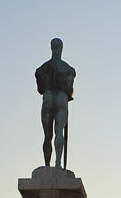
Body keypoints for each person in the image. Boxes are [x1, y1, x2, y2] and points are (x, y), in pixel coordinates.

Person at [35, 38, 76, 168]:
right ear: (61, 48)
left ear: (51, 48)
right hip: (61, 98)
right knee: (59, 132)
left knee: (47, 136)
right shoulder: (69, 70)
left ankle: (47, 165)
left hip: (47, 97)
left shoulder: (41, 69)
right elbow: (70, 90)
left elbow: (40, 89)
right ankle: (58, 163)